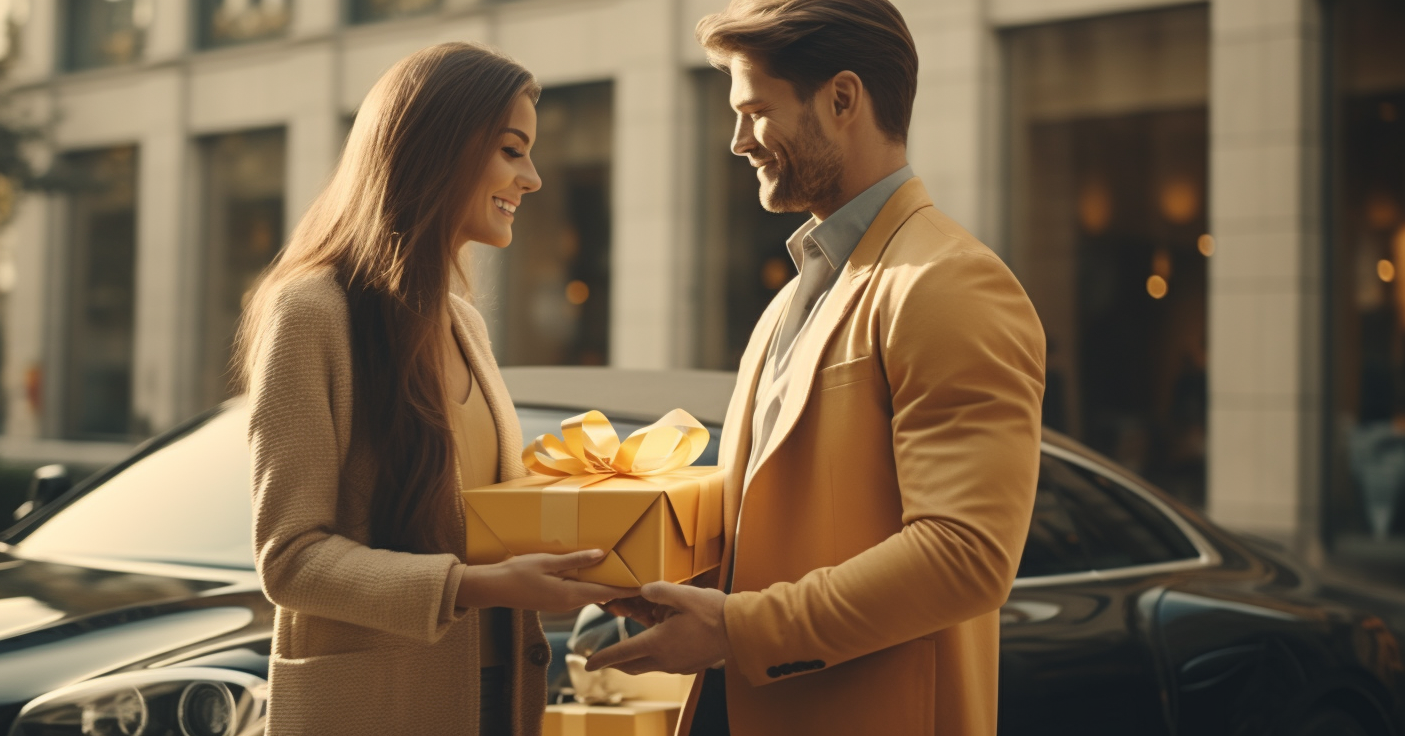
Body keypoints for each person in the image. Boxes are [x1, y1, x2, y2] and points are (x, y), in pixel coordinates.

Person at [585, 2, 1047, 735]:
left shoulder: (948, 283)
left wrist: (739, 627)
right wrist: (670, 590)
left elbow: (966, 557)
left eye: (755, 111)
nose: (738, 141)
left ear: (841, 100)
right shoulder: (793, 298)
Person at [236, 43, 638, 736]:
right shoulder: (312, 311)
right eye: (513, 151)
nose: (534, 178)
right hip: (375, 707)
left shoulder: (465, 327)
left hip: (491, 699)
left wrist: (605, 562)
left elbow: (485, 527)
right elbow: (292, 558)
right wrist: (479, 586)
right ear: (437, 149)